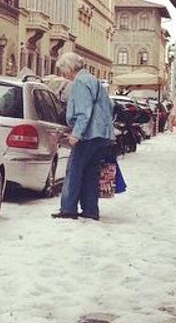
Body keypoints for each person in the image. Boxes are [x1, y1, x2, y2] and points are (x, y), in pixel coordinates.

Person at [51, 52, 115, 221]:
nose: (63, 74)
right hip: (101, 134)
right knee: (91, 173)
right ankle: (90, 210)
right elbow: (110, 105)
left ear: (71, 68)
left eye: (63, 70)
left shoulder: (80, 82)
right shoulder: (94, 80)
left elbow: (83, 112)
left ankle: (68, 209)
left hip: (88, 134)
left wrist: (76, 134)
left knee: (75, 170)